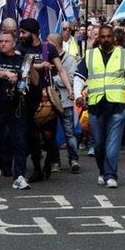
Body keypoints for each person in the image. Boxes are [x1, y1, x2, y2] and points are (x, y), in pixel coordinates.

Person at [72, 25, 125, 188]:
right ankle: (102, 171)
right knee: (99, 145)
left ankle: (111, 175)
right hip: (95, 107)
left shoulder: (123, 55)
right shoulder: (90, 55)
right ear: (98, 39)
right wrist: (78, 96)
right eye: (102, 37)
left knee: (112, 145)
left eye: (109, 36)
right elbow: (78, 77)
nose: (106, 39)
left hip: (117, 106)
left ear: (113, 38)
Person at [18, 18, 73, 181]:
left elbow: (61, 69)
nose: (21, 35)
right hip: (29, 97)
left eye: (24, 32)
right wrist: (39, 65)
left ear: (33, 33)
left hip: (47, 95)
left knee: (49, 134)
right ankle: (36, 169)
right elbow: (21, 66)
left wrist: (70, 89)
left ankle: (50, 160)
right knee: (32, 135)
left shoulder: (48, 48)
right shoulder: (21, 48)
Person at [0, 31, 38, 190]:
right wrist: (5, 73)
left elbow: (35, 81)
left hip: (17, 107)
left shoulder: (21, 60)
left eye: (6, 41)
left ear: (14, 43)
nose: (3, 44)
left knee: (20, 142)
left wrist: (31, 66)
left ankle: (19, 176)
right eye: (1, 41)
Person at [47, 33, 80, 172]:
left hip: (65, 101)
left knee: (69, 132)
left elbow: (72, 79)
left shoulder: (70, 60)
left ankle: (73, 159)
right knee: (51, 133)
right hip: (50, 102)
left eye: (48, 43)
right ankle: (55, 161)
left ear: (55, 45)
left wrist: (56, 78)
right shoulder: (46, 58)